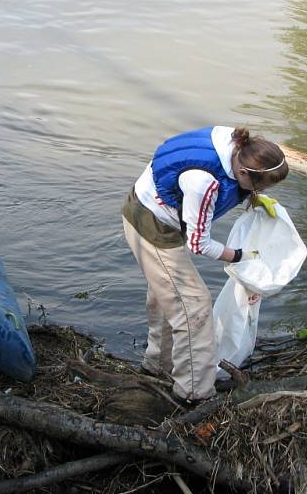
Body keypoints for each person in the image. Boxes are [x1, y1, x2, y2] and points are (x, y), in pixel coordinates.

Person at [122, 126, 288, 404]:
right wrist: (239, 256)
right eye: (262, 186)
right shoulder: (204, 182)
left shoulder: (236, 142)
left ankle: (157, 366)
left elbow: (240, 185)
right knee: (193, 306)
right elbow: (198, 245)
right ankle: (193, 394)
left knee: (166, 296)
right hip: (152, 223)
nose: (262, 191)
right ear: (244, 173)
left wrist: (256, 197)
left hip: (148, 207)